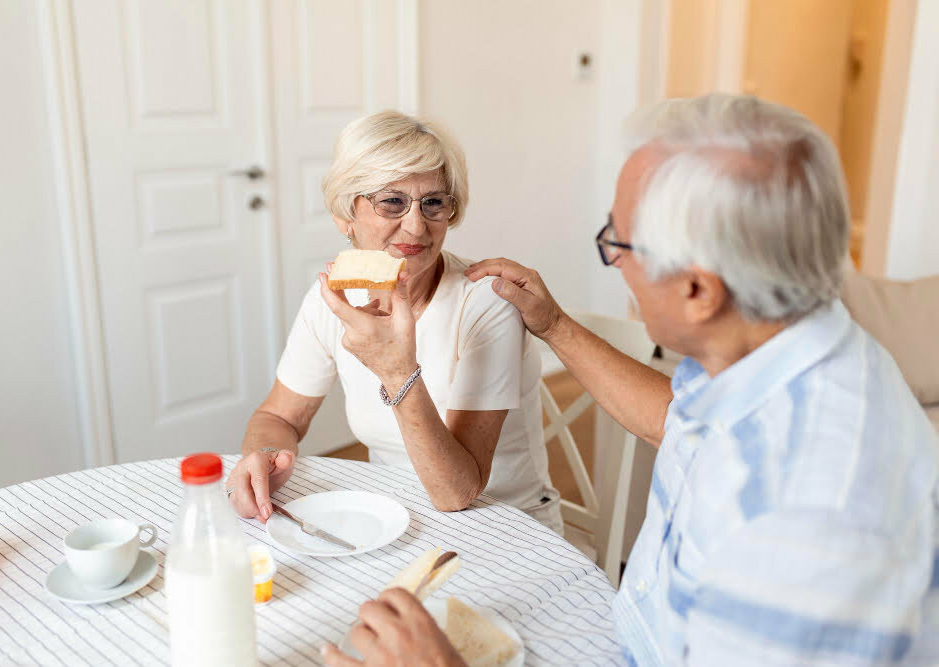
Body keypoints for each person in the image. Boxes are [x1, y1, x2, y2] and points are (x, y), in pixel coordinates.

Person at [323, 94, 939, 666]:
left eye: (617, 241)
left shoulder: (804, 521)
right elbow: (679, 423)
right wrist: (556, 325)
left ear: (698, 290)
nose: (612, 259)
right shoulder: (782, 341)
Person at [225, 110, 563, 533]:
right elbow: (280, 417)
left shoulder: (486, 302)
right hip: (396, 517)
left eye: (434, 202)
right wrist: (263, 455)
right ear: (346, 215)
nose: (416, 225)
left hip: (505, 525)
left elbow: (457, 492)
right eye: (391, 201)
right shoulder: (334, 298)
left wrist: (396, 369)